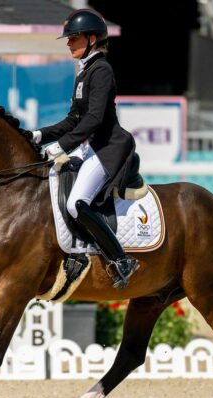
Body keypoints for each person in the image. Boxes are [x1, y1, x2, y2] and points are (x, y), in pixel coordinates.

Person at [28, 9, 139, 290]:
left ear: (91, 39)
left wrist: (61, 148)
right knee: (53, 186)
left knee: (76, 203)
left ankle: (121, 259)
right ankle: (75, 250)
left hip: (108, 148)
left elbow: (94, 119)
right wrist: (39, 135)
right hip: (90, 147)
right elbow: (73, 120)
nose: (68, 43)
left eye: (73, 38)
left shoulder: (101, 70)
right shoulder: (85, 72)